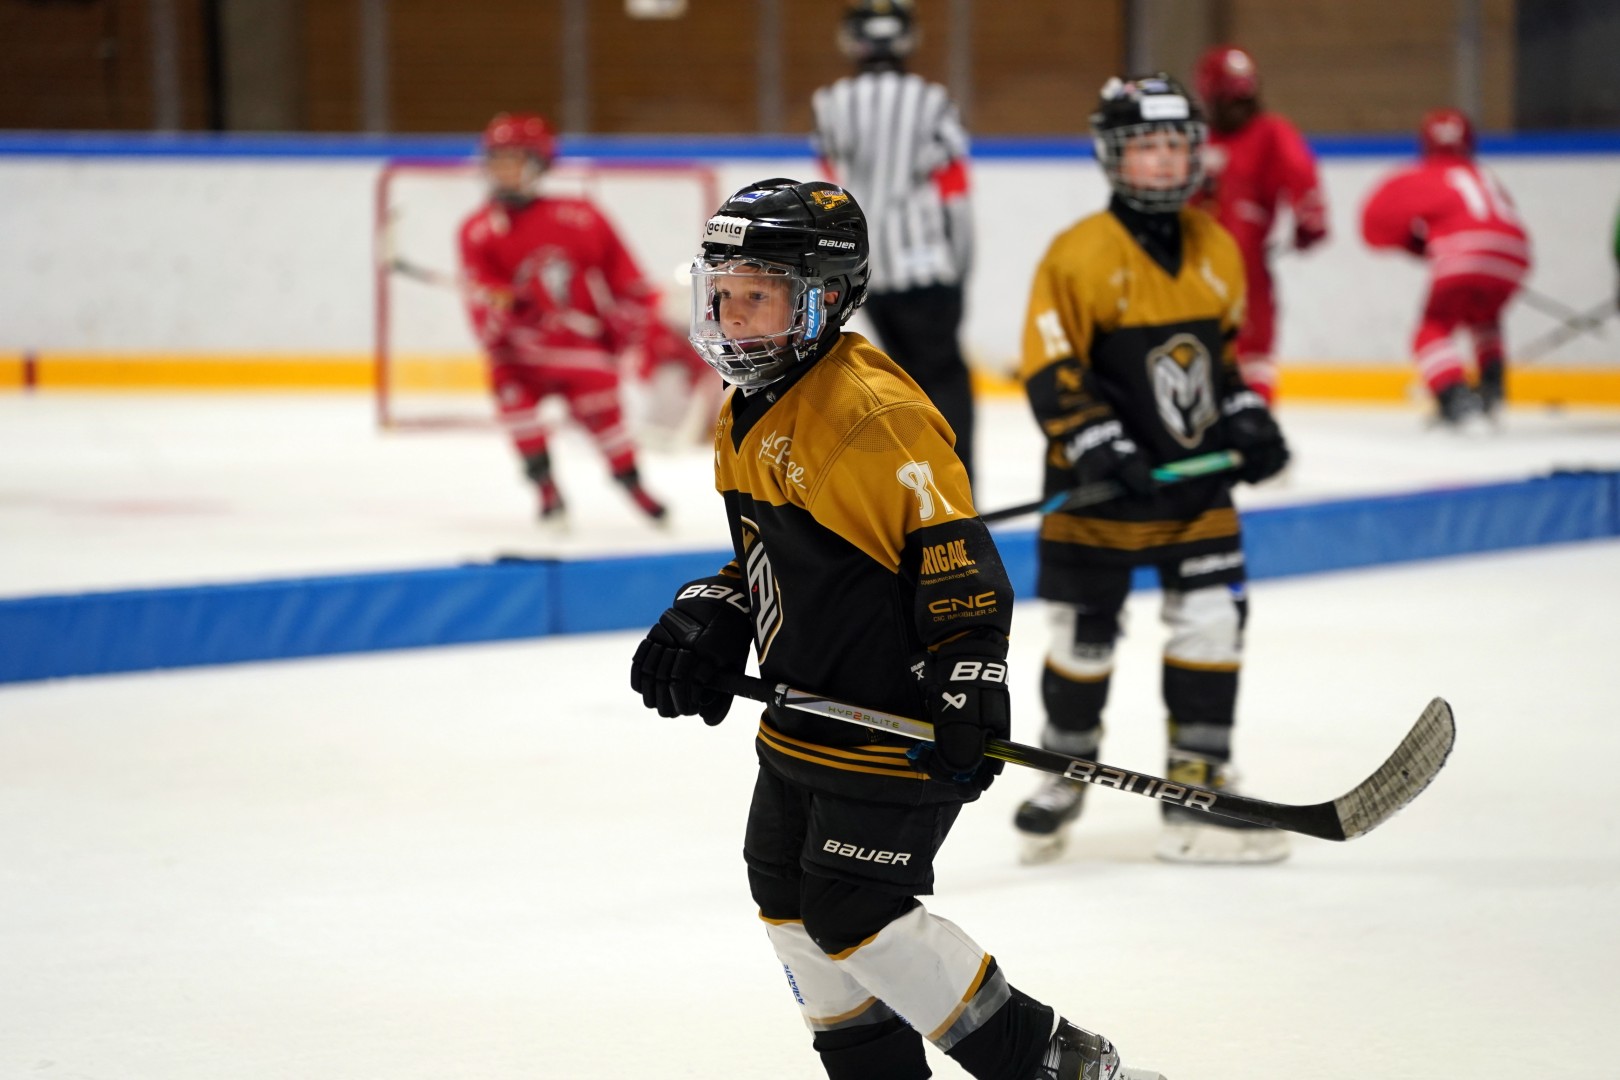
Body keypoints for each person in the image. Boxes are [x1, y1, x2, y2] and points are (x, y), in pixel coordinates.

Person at [630, 178, 1165, 1080]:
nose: (732, 317)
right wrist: (715, 611)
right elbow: (771, 555)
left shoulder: (871, 415)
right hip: (805, 719)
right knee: (787, 904)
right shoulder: (748, 404)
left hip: (894, 722)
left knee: (855, 912)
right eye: (723, 293)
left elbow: (956, 561)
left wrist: (970, 675)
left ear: (825, 298)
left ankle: (1060, 1065)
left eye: (759, 295)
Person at [1011, 74, 1292, 867]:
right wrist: (1100, 442)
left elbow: (1220, 365)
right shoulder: (1077, 255)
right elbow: (1052, 367)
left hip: (1194, 485)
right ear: (1114, 155)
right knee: (1084, 635)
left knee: (1213, 620)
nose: (1165, 161)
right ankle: (1066, 766)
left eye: (1175, 144)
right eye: (1146, 146)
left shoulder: (1216, 246)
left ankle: (1197, 783)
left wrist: (1247, 419)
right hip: (1098, 488)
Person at [457, 110, 669, 526]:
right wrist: (501, 309)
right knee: (516, 407)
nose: (502, 170)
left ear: (539, 164)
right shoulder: (477, 229)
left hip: (579, 348)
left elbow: (627, 280)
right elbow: (483, 316)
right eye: (496, 160)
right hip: (518, 355)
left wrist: (627, 326)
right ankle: (547, 492)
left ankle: (634, 485)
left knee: (607, 423)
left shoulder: (580, 216)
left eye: (513, 159)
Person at [810, 0, 979, 480]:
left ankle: (917, 490)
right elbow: (954, 194)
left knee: (901, 380)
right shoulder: (931, 100)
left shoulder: (830, 104)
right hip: (928, 265)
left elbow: (831, 189)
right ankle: (959, 488)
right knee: (944, 379)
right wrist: (961, 266)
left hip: (870, 266)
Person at [1360, 107, 1531, 426]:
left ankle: (1455, 396)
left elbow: (1374, 225)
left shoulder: (1420, 174)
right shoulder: (1485, 176)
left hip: (1462, 254)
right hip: (1516, 252)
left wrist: (1418, 246)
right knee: (1484, 316)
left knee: (1432, 328)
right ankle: (1492, 387)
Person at [1191, 44, 1329, 407]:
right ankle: (1247, 416)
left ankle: (1251, 416)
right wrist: (1310, 218)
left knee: (1247, 346)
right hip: (1206, 256)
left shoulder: (1267, 132)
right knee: (1241, 346)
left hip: (1237, 255)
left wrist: (1309, 215)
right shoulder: (1205, 138)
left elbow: (1298, 172)